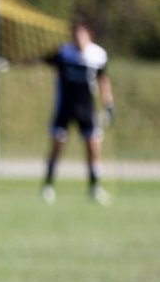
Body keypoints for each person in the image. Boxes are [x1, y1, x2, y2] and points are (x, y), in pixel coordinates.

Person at [41, 18, 115, 205]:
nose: (78, 37)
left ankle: (94, 187)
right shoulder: (64, 53)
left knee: (93, 147)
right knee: (57, 145)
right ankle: (48, 185)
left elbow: (103, 80)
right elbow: (41, 59)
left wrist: (108, 105)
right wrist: (13, 62)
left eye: (81, 34)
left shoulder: (97, 55)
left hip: (86, 109)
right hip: (64, 108)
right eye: (75, 34)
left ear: (89, 35)